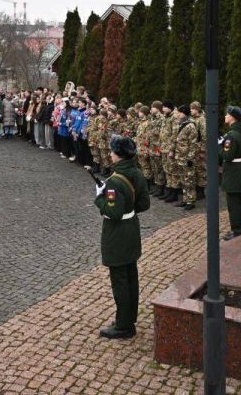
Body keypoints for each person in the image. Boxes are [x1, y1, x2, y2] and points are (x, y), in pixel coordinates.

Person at [93, 135, 149, 339]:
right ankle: (128, 319)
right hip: (132, 228)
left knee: (120, 281)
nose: (110, 154)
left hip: (117, 234)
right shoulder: (136, 173)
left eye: (112, 151)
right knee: (131, 277)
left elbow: (112, 213)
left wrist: (99, 198)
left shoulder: (115, 181)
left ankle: (124, 326)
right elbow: (144, 204)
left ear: (119, 155)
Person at [221, 107, 241, 240]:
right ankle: (240, 228)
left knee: (234, 204)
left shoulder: (232, 135)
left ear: (233, 117)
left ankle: (238, 231)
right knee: (238, 202)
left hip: (234, 173)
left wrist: (217, 146)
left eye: (227, 114)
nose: (225, 116)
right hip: (239, 170)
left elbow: (227, 155)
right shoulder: (238, 132)